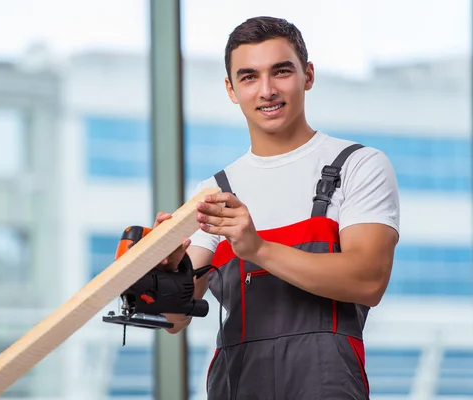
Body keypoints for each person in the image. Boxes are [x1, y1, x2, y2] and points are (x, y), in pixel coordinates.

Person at [154, 16, 400, 400]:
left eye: (281, 72)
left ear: (308, 76)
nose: (266, 90)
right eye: (249, 77)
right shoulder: (214, 193)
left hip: (327, 386)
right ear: (231, 89)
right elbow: (174, 319)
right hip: (235, 387)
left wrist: (258, 249)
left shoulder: (357, 165)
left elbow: (367, 280)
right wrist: (167, 268)